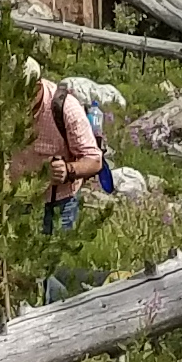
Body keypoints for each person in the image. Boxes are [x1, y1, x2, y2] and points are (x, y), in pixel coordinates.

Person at [11, 59, 109, 297]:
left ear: (35, 86)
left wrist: (67, 170)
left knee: (50, 272)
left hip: (58, 204)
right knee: (20, 273)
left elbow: (94, 160)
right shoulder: (7, 106)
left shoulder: (64, 108)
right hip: (19, 202)